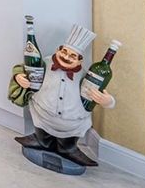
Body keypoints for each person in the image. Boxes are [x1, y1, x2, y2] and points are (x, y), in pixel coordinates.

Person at [12, 24, 114, 167]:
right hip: (42, 116)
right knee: (42, 134)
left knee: (69, 142)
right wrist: (18, 77)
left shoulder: (87, 76)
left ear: (80, 60)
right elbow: (23, 68)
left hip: (72, 122)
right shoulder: (45, 63)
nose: (66, 57)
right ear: (57, 50)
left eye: (72, 56)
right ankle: (41, 140)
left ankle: (69, 149)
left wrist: (108, 101)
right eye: (64, 52)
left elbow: (99, 93)